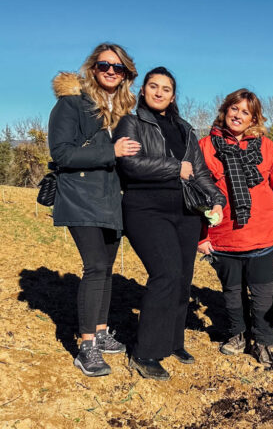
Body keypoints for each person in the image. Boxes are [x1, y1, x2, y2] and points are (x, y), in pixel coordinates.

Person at [114, 67, 226, 380]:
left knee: (183, 277)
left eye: (166, 89)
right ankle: (145, 351)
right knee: (165, 273)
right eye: (153, 86)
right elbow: (130, 165)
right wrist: (175, 167)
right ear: (143, 90)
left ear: (173, 96)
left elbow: (199, 171)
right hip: (146, 208)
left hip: (186, 211)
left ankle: (174, 341)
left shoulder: (185, 129)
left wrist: (217, 198)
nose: (159, 92)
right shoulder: (131, 123)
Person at [48, 43, 141, 377]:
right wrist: (111, 152)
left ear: (126, 74)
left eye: (118, 67)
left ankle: (101, 332)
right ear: (93, 68)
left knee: (106, 268)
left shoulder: (124, 110)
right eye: (105, 65)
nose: (111, 71)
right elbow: (62, 154)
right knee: (95, 266)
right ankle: (86, 346)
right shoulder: (71, 103)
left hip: (111, 199)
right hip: (81, 196)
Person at [197, 89, 273, 369]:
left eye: (245, 112)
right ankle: (237, 334)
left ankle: (263, 342)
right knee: (232, 293)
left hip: (262, 236)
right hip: (223, 237)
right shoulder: (206, 146)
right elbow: (195, 195)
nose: (238, 115)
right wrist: (201, 236)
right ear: (225, 110)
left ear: (254, 119)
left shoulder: (266, 147)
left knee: (263, 295)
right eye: (234, 109)